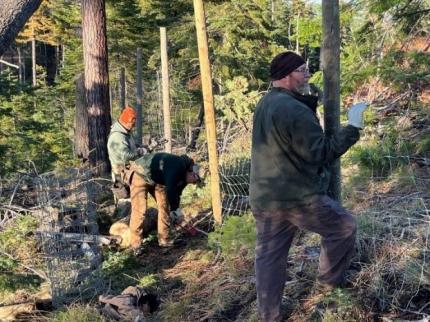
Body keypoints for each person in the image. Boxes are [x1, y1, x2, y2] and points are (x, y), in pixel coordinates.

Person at [249, 51, 368, 322]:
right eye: (302, 70)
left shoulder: (266, 103)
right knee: (344, 226)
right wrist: (353, 127)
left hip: (265, 197)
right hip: (297, 198)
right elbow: (321, 152)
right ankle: (329, 291)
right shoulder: (293, 109)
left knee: (269, 256)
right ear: (286, 75)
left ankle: (270, 316)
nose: (307, 75)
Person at [124, 152, 201, 251]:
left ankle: (164, 240)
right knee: (140, 210)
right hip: (140, 172)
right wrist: (174, 209)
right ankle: (136, 245)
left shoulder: (185, 176)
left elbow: (177, 193)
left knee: (164, 206)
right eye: (195, 180)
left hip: (157, 177)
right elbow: (170, 189)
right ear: (191, 172)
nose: (194, 183)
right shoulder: (178, 167)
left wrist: (176, 211)